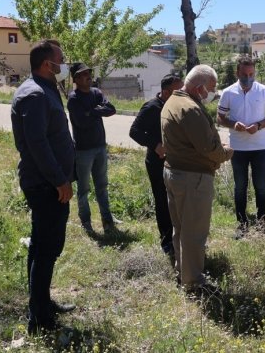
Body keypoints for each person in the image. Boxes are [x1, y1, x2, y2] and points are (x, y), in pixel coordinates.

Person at [10, 39, 76, 334]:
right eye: (60, 60)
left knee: (41, 247)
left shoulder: (45, 88)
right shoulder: (35, 94)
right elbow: (37, 144)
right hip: (46, 184)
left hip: (49, 181)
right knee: (46, 248)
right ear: (46, 64)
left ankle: (41, 303)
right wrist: (59, 180)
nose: (63, 65)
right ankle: (39, 319)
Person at [161, 65, 233, 292]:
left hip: (175, 173)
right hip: (193, 178)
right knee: (194, 233)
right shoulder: (189, 108)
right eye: (211, 88)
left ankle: (183, 272)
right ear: (199, 87)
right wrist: (226, 153)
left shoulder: (173, 100)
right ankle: (194, 283)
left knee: (181, 229)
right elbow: (207, 147)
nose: (212, 92)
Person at [217, 56, 265, 238]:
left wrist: (259, 125)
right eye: (244, 74)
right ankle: (242, 225)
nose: (248, 77)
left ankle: (261, 224)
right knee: (240, 186)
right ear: (237, 73)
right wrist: (233, 124)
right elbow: (219, 117)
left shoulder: (264, 91)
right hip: (237, 147)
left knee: (260, 185)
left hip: (260, 146)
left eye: (251, 74)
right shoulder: (228, 92)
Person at [129, 74, 184, 255]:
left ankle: (180, 237)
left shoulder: (177, 106)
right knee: (163, 201)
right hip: (157, 162)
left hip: (175, 161)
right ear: (166, 92)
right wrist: (155, 145)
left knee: (177, 200)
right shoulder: (152, 107)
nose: (182, 94)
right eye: (178, 91)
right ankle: (166, 240)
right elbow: (134, 131)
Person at [67, 62, 120, 234]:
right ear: (76, 79)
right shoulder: (73, 98)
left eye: (88, 73)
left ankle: (107, 219)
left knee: (102, 185)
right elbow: (81, 123)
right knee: (83, 189)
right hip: (83, 150)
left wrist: (91, 112)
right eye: (83, 74)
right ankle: (86, 221)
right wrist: (97, 111)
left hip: (100, 147)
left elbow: (111, 109)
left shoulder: (96, 92)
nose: (88, 76)